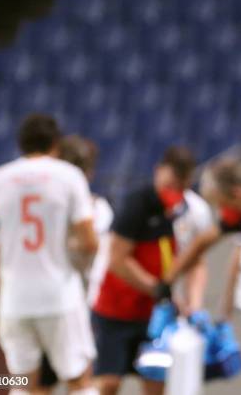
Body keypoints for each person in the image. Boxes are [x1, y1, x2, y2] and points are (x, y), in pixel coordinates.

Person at [0, 114, 99, 395]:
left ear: (20, 143)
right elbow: (90, 242)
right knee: (78, 381)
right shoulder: (69, 176)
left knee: (24, 384)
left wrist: (10, 258)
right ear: (56, 143)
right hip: (59, 295)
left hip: (15, 299)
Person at [90, 146, 212, 395]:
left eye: (180, 185)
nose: (173, 191)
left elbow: (196, 261)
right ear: (159, 172)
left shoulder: (192, 212)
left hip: (157, 315)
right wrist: (155, 288)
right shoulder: (136, 204)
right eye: (171, 182)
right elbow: (118, 259)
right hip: (117, 309)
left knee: (155, 383)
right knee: (109, 382)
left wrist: (194, 305)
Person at [160, 157, 241, 395]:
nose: (222, 212)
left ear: (236, 194)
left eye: (221, 203)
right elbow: (203, 243)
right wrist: (166, 282)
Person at [37, 134, 114, 394]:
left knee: (78, 381)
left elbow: (91, 246)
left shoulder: (99, 211)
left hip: (80, 305)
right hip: (53, 304)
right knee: (46, 382)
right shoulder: (45, 209)